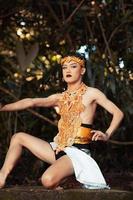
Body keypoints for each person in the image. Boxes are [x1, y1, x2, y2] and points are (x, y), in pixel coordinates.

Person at [0, 53, 123, 189]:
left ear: (82, 70)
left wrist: (107, 134)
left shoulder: (92, 93)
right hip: (59, 148)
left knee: (47, 180)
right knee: (18, 137)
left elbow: (118, 113)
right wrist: (4, 107)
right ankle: (2, 177)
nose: (68, 70)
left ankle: (69, 176)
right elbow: (32, 102)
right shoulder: (59, 98)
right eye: (64, 67)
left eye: (73, 66)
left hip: (78, 152)